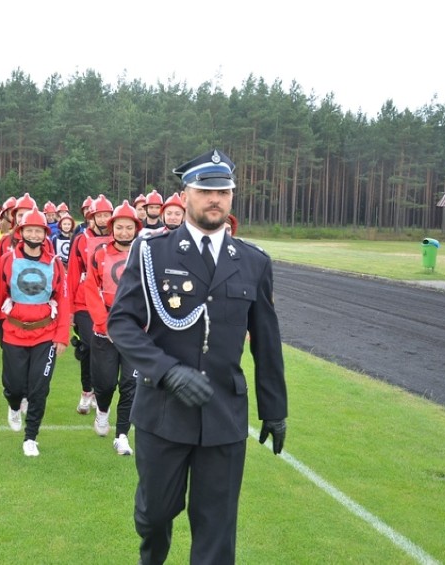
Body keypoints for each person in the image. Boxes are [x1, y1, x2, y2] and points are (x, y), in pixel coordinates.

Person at [107, 149, 288, 564]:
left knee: (217, 531)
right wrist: (167, 372)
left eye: (223, 191)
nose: (215, 199)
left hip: (223, 414)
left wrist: (274, 409)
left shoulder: (253, 262)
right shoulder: (153, 252)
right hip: (163, 412)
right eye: (206, 190)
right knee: (154, 517)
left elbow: (266, 340)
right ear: (184, 195)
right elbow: (122, 324)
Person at [0, 208, 70, 457]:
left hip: (45, 335)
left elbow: (63, 301)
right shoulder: (8, 260)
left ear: (44, 234)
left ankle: (31, 437)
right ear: (21, 232)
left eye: (38, 230)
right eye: (29, 230)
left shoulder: (55, 264)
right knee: (14, 384)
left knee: (39, 388)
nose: (34, 234)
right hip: (14, 333)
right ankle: (14, 404)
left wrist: (62, 335)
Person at [83, 200, 141, 455]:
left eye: (129, 227)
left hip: (135, 331)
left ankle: (122, 435)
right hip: (104, 329)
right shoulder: (99, 254)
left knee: (130, 384)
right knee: (105, 384)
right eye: (120, 227)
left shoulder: (144, 254)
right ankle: (103, 411)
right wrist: (104, 323)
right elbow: (90, 289)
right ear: (112, 228)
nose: (124, 232)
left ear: (136, 229)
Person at [66, 195, 113, 415]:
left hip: (112, 303)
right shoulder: (81, 239)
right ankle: (87, 391)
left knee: (103, 350)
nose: (103, 220)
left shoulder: (120, 238)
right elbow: (73, 275)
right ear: (91, 217)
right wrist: (70, 311)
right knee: (90, 346)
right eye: (99, 215)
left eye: (107, 215)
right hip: (84, 302)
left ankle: (99, 393)